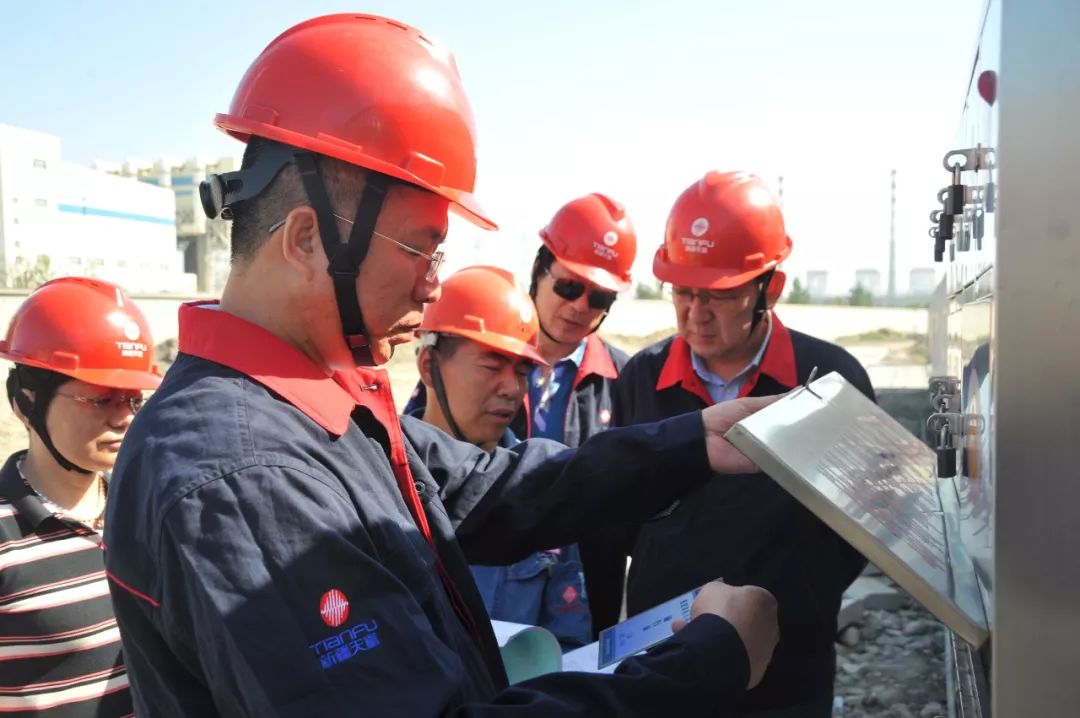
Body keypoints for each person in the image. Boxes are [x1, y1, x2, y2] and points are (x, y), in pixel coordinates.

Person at [103, 16, 779, 717]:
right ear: (307, 239)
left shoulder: (315, 408)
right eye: (422, 250)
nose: (433, 286)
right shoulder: (248, 477)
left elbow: (495, 489)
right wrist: (711, 659)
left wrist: (695, 442)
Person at [614, 170, 875, 717]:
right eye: (682, 292)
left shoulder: (828, 380)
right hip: (664, 661)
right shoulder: (643, 377)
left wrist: (790, 602)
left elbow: (863, 525)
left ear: (769, 289)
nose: (696, 313)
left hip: (785, 666)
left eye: (720, 294)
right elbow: (619, 513)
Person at [0, 277, 161, 717]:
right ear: (26, 403)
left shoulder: (152, 511)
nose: (124, 418)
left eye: (133, 400)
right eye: (101, 399)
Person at [414, 265, 591, 649]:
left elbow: (569, 642)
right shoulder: (381, 482)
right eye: (492, 366)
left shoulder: (543, 489)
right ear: (429, 366)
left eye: (523, 371)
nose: (511, 389)